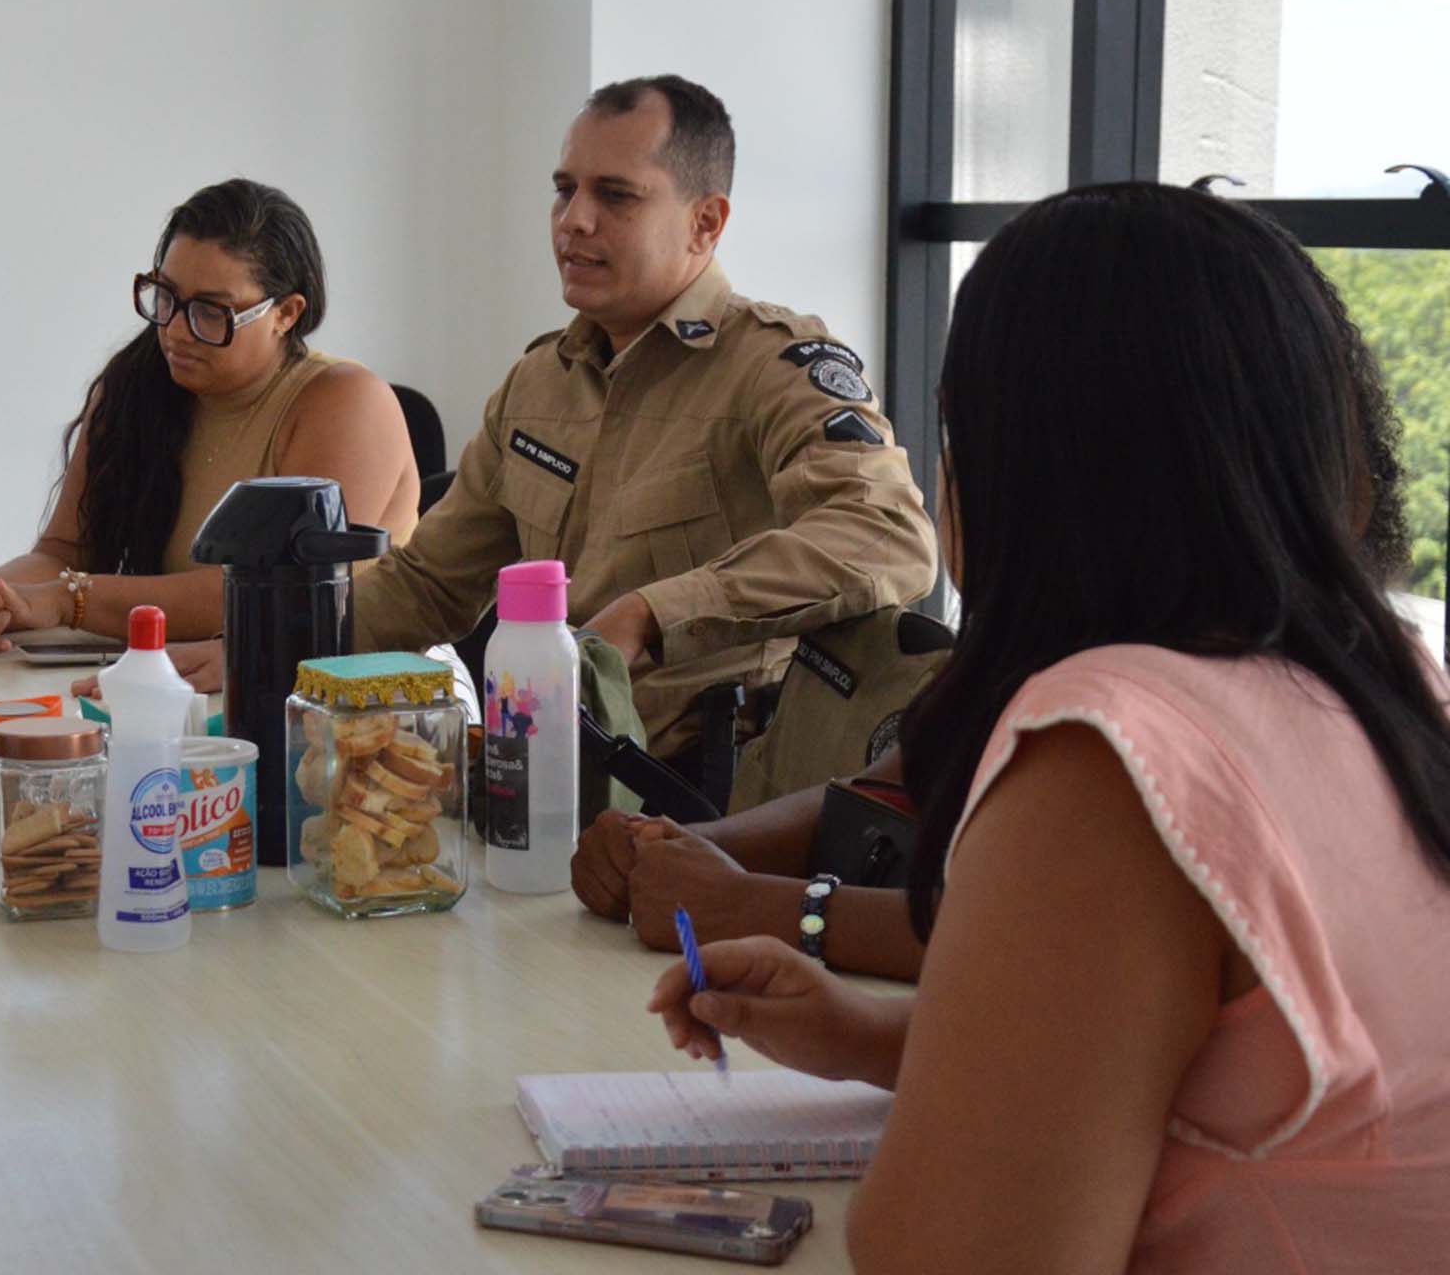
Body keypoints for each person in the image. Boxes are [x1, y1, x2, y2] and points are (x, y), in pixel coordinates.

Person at [649, 184, 1450, 1271]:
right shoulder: (1388, 682)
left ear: (1011, 468)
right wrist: (877, 1038)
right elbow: (1231, 1085)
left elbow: (942, 1252)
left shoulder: (1115, 756)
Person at [577, 255, 1427, 983]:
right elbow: (904, 786)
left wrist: (760, 908)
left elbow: (1035, 949)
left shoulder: (1127, 729)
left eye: (964, 428)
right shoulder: (1371, 669)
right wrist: (682, 853)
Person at [316, 76, 938, 756]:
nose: (573, 220)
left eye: (614, 195)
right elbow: (427, 586)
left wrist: (656, 613)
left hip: (701, 804)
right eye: (564, 189)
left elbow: (889, 535)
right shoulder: (538, 382)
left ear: (706, 222)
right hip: (540, 766)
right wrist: (258, 643)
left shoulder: (770, 368)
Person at [0, 177, 420, 650]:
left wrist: (65, 599)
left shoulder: (346, 401)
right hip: (197, 675)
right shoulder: (136, 387)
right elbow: (63, 554)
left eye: (211, 311)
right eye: (166, 296)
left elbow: (265, 592)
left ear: (285, 314)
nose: (177, 331)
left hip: (361, 693)